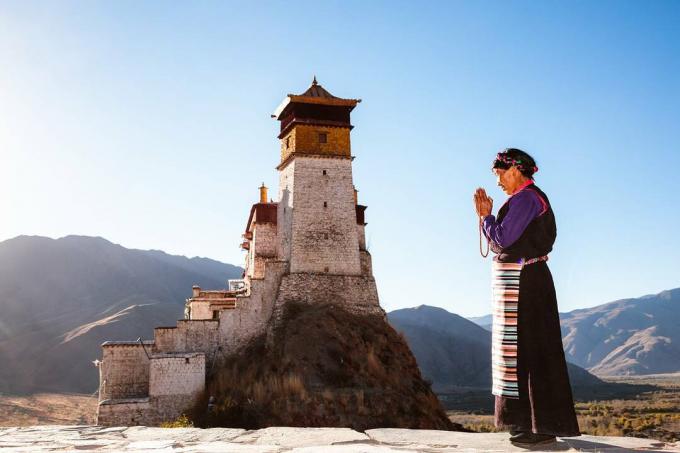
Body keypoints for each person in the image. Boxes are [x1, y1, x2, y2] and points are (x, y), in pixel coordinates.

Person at [473, 148, 580, 446]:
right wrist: (488, 220)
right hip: (524, 282)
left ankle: (532, 426)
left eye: (500, 175)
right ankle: (532, 424)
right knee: (525, 351)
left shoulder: (526, 199)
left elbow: (503, 239)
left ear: (516, 170)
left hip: (527, 285)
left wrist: (485, 217)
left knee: (527, 351)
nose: (498, 182)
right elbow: (501, 244)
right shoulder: (524, 200)